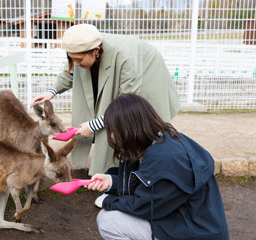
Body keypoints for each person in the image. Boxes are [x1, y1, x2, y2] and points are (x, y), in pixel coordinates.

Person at [86, 94, 230, 240]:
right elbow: (150, 186)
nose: (113, 136)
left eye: (113, 130)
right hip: (199, 226)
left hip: (198, 235)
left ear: (128, 127)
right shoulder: (165, 139)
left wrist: (108, 200)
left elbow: (144, 206)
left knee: (108, 222)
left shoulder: (163, 158)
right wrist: (111, 182)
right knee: (113, 214)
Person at [30, 24, 180, 176]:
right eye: (72, 59)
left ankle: (140, 177)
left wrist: (93, 125)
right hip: (124, 79)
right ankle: (115, 177)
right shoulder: (83, 49)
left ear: (96, 51)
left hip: (147, 78)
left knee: (137, 128)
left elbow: (127, 104)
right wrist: (51, 92)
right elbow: (70, 71)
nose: (76, 64)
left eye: (79, 60)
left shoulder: (126, 58)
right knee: (113, 128)